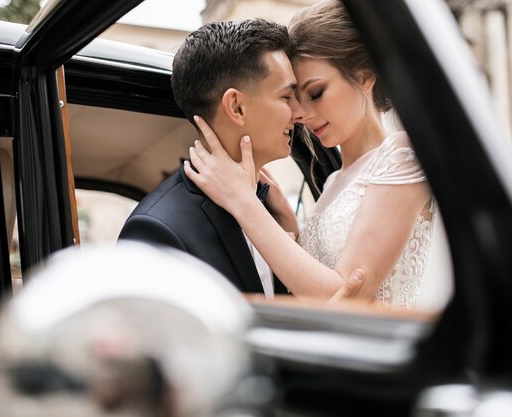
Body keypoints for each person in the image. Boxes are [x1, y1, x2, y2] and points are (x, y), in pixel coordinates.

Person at [184, 0, 452, 311]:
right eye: (293, 98)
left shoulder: (403, 155)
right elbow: (322, 282)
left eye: (316, 93)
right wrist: (291, 228)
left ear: (365, 75)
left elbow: (344, 299)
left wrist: (243, 202)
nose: (300, 114)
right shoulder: (334, 179)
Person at [118, 18, 366, 299]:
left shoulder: (269, 207)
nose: (299, 113)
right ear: (236, 107)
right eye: (286, 97)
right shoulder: (159, 230)